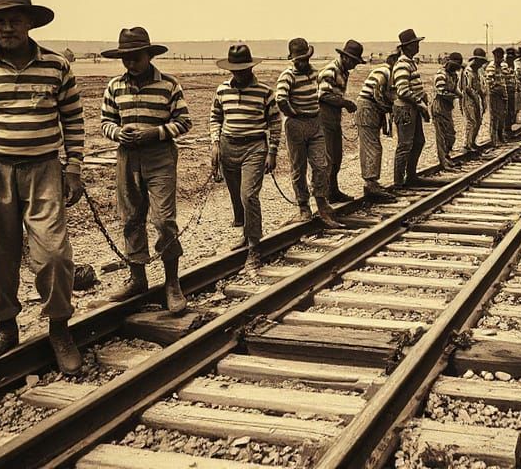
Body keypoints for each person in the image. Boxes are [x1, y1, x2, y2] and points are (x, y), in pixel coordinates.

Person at [0, 0, 83, 373]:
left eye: (14, 20)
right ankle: (5, 328)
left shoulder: (57, 65)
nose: (6, 27)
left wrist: (73, 167)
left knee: (54, 254)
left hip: (44, 169)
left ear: (29, 23)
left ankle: (59, 329)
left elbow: (73, 120)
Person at [100, 27, 191, 313]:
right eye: (125, 58)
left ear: (148, 56)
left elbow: (184, 122)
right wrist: (118, 134)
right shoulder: (115, 86)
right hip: (128, 157)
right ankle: (137, 278)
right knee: (131, 218)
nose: (130, 63)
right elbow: (105, 121)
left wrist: (155, 133)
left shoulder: (169, 85)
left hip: (160, 157)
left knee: (164, 220)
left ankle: (172, 284)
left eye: (135, 57)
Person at [209, 44, 282, 272]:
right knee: (236, 196)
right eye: (235, 69)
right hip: (228, 146)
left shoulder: (265, 92)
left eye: (243, 69)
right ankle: (245, 232)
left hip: (254, 147)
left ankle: (254, 248)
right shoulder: (222, 91)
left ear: (251, 67)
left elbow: (275, 123)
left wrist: (272, 152)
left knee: (248, 195)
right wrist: (214, 145)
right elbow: (215, 117)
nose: (239, 73)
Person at [275, 38, 342, 227]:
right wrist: (294, 114)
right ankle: (303, 206)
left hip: (315, 122)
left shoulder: (314, 73)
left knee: (322, 164)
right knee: (298, 167)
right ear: (292, 59)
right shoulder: (287, 76)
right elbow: (281, 99)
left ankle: (321, 202)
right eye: (299, 60)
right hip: (296, 125)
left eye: (305, 58)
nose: (302, 63)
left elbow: (321, 93)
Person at [318, 40, 363, 202]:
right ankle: (325, 193)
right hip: (324, 116)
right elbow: (322, 95)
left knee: (336, 156)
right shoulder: (331, 70)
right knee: (329, 157)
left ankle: (333, 190)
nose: (354, 65)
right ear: (346, 58)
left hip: (333, 116)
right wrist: (345, 103)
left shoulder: (343, 71)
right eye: (354, 61)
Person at [391, 29, 433, 187]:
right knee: (405, 144)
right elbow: (402, 91)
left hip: (412, 108)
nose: (418, 46)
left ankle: (411, 176)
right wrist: (419, 101)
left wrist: (422, 97)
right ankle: (398, 181)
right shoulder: (402, 64)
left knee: (418, 141)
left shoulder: (410, 63)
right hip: (405, 109)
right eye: (415, 44)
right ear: (407, 47)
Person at [356, 51, 399, 202]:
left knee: (373, 146)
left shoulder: (387, 71)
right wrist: (387, 106)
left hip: (371, 108)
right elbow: (377, 91)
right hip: (368, 108)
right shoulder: (385, 71)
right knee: (372, 147)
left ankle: (372, 182)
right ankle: (371, 185)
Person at [432, 52, 463, 171]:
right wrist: (455, 96)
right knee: (441, 135)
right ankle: (443, 161)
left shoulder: (454, 75)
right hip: (439, 106)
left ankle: (447, 156)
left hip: (448, 108)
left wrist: (461, 95)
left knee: (451, 134)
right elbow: (441, 92)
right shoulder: (441, 74)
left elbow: (455, 89)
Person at [459, 48, 488, 152]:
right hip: (468, 99)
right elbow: (467, 88)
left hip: (476, 98)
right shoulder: (468, 71)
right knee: (471, 121)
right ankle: (467, 144)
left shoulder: (478, 71)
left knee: (478, 121)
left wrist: (482, 98)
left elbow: (479, 86)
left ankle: (472, 142)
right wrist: (476, 98)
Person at [483, 47, 510, 146]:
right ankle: (494, 139)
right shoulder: (491, 67)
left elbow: (506, 78)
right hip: (495, 95)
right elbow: (490, 84)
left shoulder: (502, 67)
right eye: (498, 57)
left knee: (502, 115)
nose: (500, 59)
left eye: (501, 57)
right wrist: (498, 89)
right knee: (494, 117)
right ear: (494, 56)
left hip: (503, 94)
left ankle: (500, 135)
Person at [503, 47, 520, 136]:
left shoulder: (512, 65)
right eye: (509, 57)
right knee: (506, 111)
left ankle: (509, 128)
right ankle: (505, 130)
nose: (511, 58)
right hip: (506, 92)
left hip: (512, 91)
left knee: (511, 110)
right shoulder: (503, 65)